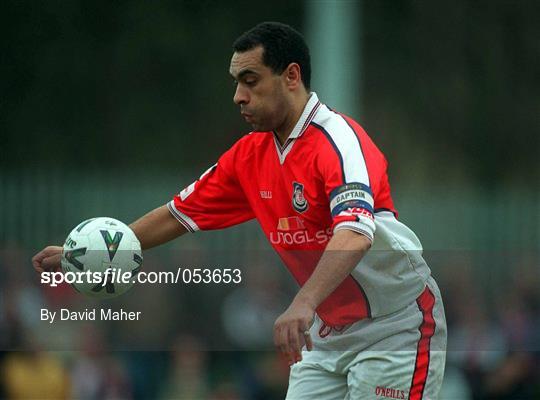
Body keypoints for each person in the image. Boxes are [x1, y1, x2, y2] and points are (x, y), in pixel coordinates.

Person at [32, 22, 447, 399]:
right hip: (326, 336)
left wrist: (302, 303)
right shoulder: (249, 157)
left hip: (395, 329)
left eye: (250, 81)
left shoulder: (339, 142)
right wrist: (96, 251)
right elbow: (178, 213)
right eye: (236, 83)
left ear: (291, 77)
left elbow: (356, 231)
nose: (238, 96)